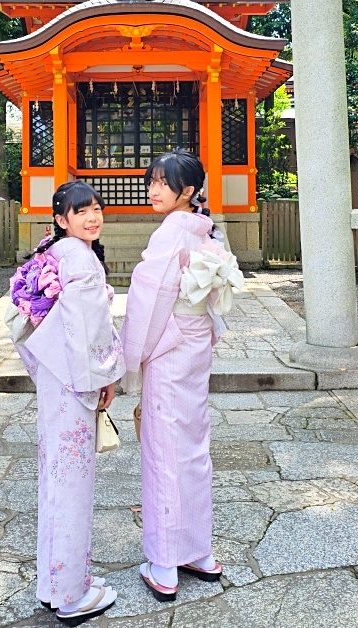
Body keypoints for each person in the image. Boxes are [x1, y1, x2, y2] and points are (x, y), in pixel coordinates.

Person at [122, 150, 242, 602]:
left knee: (164, 451)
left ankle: (165, 561)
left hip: (169, 350)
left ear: (187, 192)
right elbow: (212, 299)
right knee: (193, 448)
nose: (152, 189)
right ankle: (199, 551)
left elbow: (149, 303)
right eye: (150, 180)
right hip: (193, 346)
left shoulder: (172, 233)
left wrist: (131, 359)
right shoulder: (203, 231)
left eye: (161, 183)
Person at [8, 180, 124, 624]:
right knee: (72, 485)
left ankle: (54, 583)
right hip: (76, 380)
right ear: (61, 219)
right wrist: (106, 378)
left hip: (56, 377)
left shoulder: (53, 253)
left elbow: (28, 313)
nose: (93, 217)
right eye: (81, 212)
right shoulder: (83, 263)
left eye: (96, 209)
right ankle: (71, 595)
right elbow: (91, 332)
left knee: (55, 479)